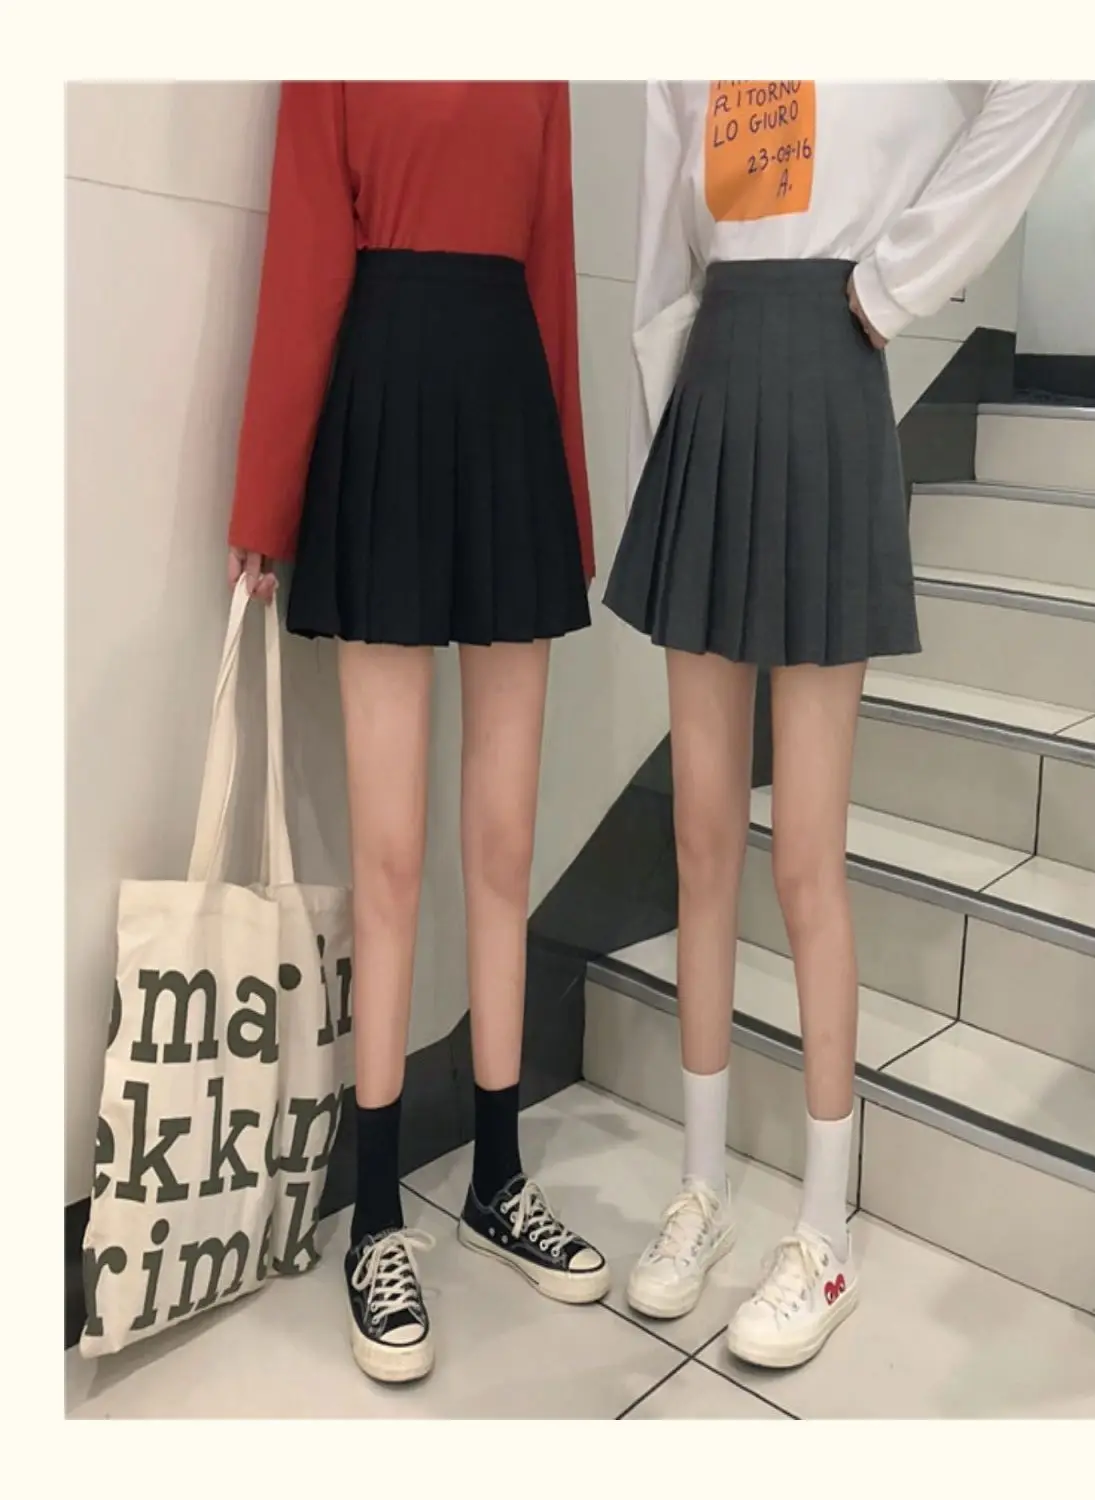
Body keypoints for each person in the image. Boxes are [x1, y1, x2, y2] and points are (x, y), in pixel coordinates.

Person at [605, 80, 1095, 1370]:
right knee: (701, 840)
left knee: (805, 858)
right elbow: (661, 265)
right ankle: (701, 1189)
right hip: (713, 387)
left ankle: (823, 1237)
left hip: (830, 377)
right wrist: (668, 463)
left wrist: (892, 285)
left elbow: (1063, 67)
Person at [228, 81, 610, 1385]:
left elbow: (553, 271)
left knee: (502, 842)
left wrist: (567, 500)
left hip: (508, 414)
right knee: (389, 858)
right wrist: (265, 502)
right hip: (382, 400)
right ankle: (377, 1218)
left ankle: (499, 1177)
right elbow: (303, 263)